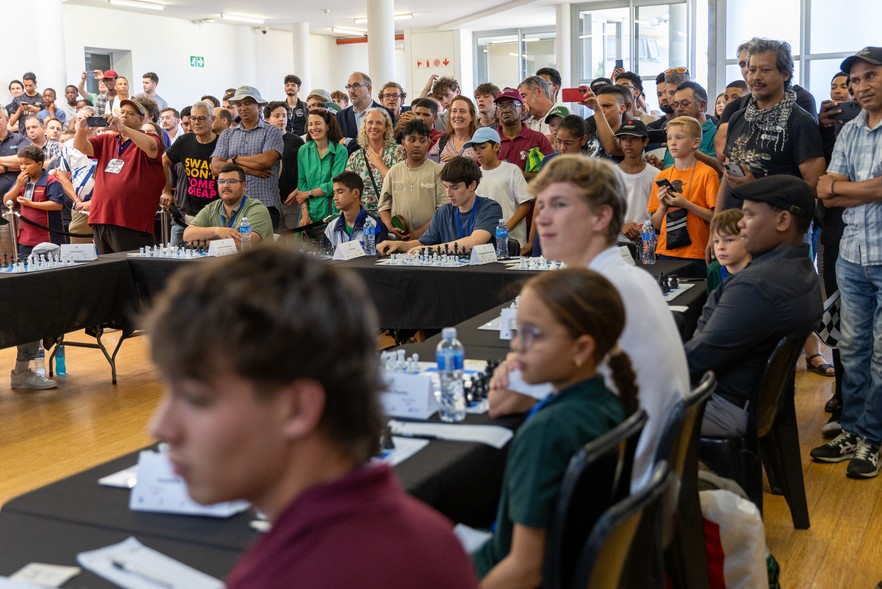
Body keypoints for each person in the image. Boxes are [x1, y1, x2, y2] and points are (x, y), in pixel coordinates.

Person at [146, 246, 477, 589]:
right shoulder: (434, 538)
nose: (159, 427)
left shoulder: (280, 579)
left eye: (197, 398)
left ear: (298, 408)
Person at [489, 156, 688, 491]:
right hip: (649, 482)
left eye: (559, 205)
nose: (543, 217)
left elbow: (501, 402)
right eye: (542, 205)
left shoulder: (590, 292)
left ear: (601, 217)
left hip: (616, 491)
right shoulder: (632, 277)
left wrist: (511, 366)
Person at [475, 268, 636, 588]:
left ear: (581, 349)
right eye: (517, 331)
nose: (516, 345)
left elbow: (525, 569)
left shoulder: (546, 433)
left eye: (531, 334)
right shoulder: (607, 402)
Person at [686, 175, 822, 437]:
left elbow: (699, 359)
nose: (740, 223)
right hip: (753, 402)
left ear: (783, 220)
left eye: (748, 215)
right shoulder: (802, 271)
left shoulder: (756, 286)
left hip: (723, 403)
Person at [811, 47, 882, 478]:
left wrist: (847, 189)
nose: (860, 86)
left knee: (881, 357)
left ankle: (872, 439)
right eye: (855, 80)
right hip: (852, 255)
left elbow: (846, 188)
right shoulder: (851, 129)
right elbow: (824, 189)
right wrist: (865, 189)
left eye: (870, 76)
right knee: (853, 351)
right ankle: (852, 430)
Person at [4, 144, 64, 391]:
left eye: (28, 163)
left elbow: (57, 205)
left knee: (47, 300)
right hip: (25, 244)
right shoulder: (23, 181)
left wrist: (30, 204)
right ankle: (24, 366)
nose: (24, 167)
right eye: (21, 163)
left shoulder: (51, 180)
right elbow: (7, 201)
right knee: (28, 301)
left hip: (49, 242)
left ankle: (49, 341)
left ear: (40, 163)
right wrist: (17, 185)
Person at [73, 98, 164, 253]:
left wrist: (124, 129)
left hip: (131, 221)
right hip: (101, 217)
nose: (124, 115)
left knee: (131, 266)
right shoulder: (108, 139)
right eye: (122, 112)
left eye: (130, 113)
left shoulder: (149, 138)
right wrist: (81, 129)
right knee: (107, 266)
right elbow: (82, 147)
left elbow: (152, 147)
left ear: (141, 119)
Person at [377, 156, 501, 254]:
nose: (449, 194)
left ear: (472, 185)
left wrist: (429, 250)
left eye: (454, 188)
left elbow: (475, 241)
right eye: (446, 187)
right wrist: (399, 245)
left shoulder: (489, 208)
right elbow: (422, 243)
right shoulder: (443, 212)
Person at [648, 116, 719, 274]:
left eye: (679, 137)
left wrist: (686, 204)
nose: (672, 143)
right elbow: (656, 225)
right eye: (669, 138)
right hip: (666, 251)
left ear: (695, 142)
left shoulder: (708, 174)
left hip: (696, 252)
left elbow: (716, 217)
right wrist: (662, 206)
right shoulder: (662, 176)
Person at [211, 86, 284, 230]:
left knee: (265, 245)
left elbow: (266, 161)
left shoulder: (272, 131)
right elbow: (216, 167)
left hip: (265, 205)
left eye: (247, 103)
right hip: (233, 207)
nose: (242, 108)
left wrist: (234, 159)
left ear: (259, 106)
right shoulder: (227, 134)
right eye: (239, 104)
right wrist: (250, 170)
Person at [378, 120, 447, 241]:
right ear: (403, 143)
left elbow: (443, 210)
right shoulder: (393, 172)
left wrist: (418, 234)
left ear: (429, 143)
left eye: (422, 141)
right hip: (398, 239)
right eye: (412, 140)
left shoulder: (438, 171)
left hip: (431, 238)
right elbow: (383, 206)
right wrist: (390, 227)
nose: (417, 145)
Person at [162, 101, 219, 244]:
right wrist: (166, 191)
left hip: (217, 212)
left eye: (201, 118)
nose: (196, 122)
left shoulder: (221, 143)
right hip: (191, 214)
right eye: (193, 118)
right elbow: (164, 160)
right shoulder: (184, 141)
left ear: (212, 119)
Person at [466, 127, 533, 249]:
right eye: (475, 149)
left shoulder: (512, 170)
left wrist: (505, 229)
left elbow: (525, 204)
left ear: (496, 147)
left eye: (482, 147)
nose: (478, 152)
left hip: (512, 240)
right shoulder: (473, 175)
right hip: (483, 242)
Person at [184, 163, 272, 244]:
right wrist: (217, 231)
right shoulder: (211, 208)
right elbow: (187, 235)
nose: (225, 185)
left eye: (232, 181)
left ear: (243, 186)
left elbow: (244, 243)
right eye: (221, 181)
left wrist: (204, 243)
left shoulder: (257, 209)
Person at [290, 109, 347, 229]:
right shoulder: (303, 150)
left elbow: (334, 184)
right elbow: (302, 183)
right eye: (310, 124)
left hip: (331, 212)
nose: (313, 128)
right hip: (308, 212)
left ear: (327, 126)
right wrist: (305, 213)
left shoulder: (340, 151)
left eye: (317, 123)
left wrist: (308, 194)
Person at [344, 107, 404, 214]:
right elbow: (348, 188)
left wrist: (378, 163)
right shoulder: (355, 156)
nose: (374, 126)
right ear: (364, 126)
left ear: (386, 128)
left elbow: (399, 183)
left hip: (391, 213)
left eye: (379, 123)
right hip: (362, 215)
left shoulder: (397, 151)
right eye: (370, 122)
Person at [56, 107, 98, 244]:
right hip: (80, 207)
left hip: (105, 205)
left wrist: (94, 202)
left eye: (89, 119)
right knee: (78, 244)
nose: (84, 122)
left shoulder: (107, 142)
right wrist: (77, 200)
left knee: (106, 247)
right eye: (80, 119)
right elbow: (63, 176)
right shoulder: (68, 145)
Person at [263, 101, 305, 230]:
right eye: (277, 116)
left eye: (284, 116)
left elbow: (304, 171)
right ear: (267, 119)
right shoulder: (262, 141)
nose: (282, 119)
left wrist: (297, 191)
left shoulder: (297, 142)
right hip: (270, 200)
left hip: (292, 200)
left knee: (294, 236)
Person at [494, 88, 553, 178]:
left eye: (511, 105)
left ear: (522, 109)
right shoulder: (490, 141)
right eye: (501, 106)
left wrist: (524, 176)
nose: (505, 110)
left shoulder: (538, 139)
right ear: (497, 113)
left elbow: (553, 173)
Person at [323, 171, 388, 249]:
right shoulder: (331, 228)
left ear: (356, 193)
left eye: (340, 192)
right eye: (334, 193)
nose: (335, 198)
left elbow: (382, 255)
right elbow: (325, 255)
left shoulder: (375, 226)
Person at [615, 119, 656, 241]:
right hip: (616, 241)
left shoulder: (656, 175)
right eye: (623, 139)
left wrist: (646, 229)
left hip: (646, 241)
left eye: (634, 138)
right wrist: (621, 226)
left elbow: (659, 212)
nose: (628, 143)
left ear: (645, 141)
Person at [705, 208, 750, 294]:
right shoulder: (714, 270)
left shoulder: (762, 272)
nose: (720, 247)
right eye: (716, 241)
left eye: (729, 240)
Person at [427, 96, 479, 165]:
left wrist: (459, 160)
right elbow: (429, 164)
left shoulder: (479, 142)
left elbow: (485, 167)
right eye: (454, 111)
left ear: (472, 116)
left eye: (462, 111)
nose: (457, 115)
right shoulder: (442, 140)